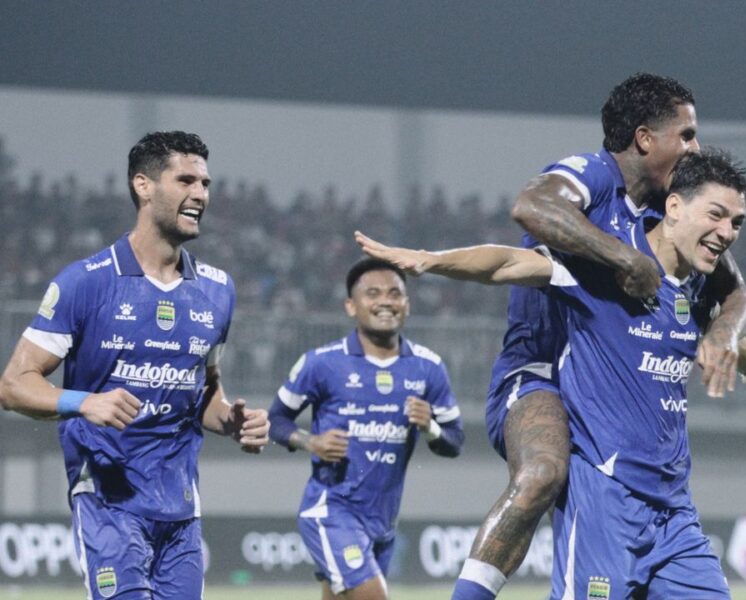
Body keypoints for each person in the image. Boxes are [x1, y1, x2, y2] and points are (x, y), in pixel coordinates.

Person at [357, 148, 746, 597]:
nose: (727, 232)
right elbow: (508, 262)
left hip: (675, 513)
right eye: (716, 215)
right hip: (605, 501)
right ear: (674, 206)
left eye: (737, 223)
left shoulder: (699, 289)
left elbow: (732, 334)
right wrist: (429, 260)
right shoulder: (608, 270)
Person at [446, 73, 746, 599]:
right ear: (644, 138)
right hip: (541, 369)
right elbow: (531, 207)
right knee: (544, 471)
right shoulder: (593, 175)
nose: (695, 148)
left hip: (607, 380)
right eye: (686, 135)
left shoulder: (671, 210)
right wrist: (624, 259)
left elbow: (737, 294)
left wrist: (725, 334)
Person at [0, 131, 270, 598]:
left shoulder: (217, 290)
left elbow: (204, 392)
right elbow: (12, 385)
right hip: (109, 503)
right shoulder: (85, 283)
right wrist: (85, 402)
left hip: (181, 510)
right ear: (143, 185)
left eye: (205, 183)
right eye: (185, 180)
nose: (200, 194)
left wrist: (232, 421)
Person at [267, 258, 464, 600]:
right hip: (332, 510)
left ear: (407, 304)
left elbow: (454, 440)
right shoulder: (322, 363)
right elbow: (275, 420)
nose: (385, 302)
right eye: (373, 294)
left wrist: (430, 427)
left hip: (383, 522)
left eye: (394, 294)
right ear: (351, 306)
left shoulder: (428, 367)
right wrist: (310, 441)